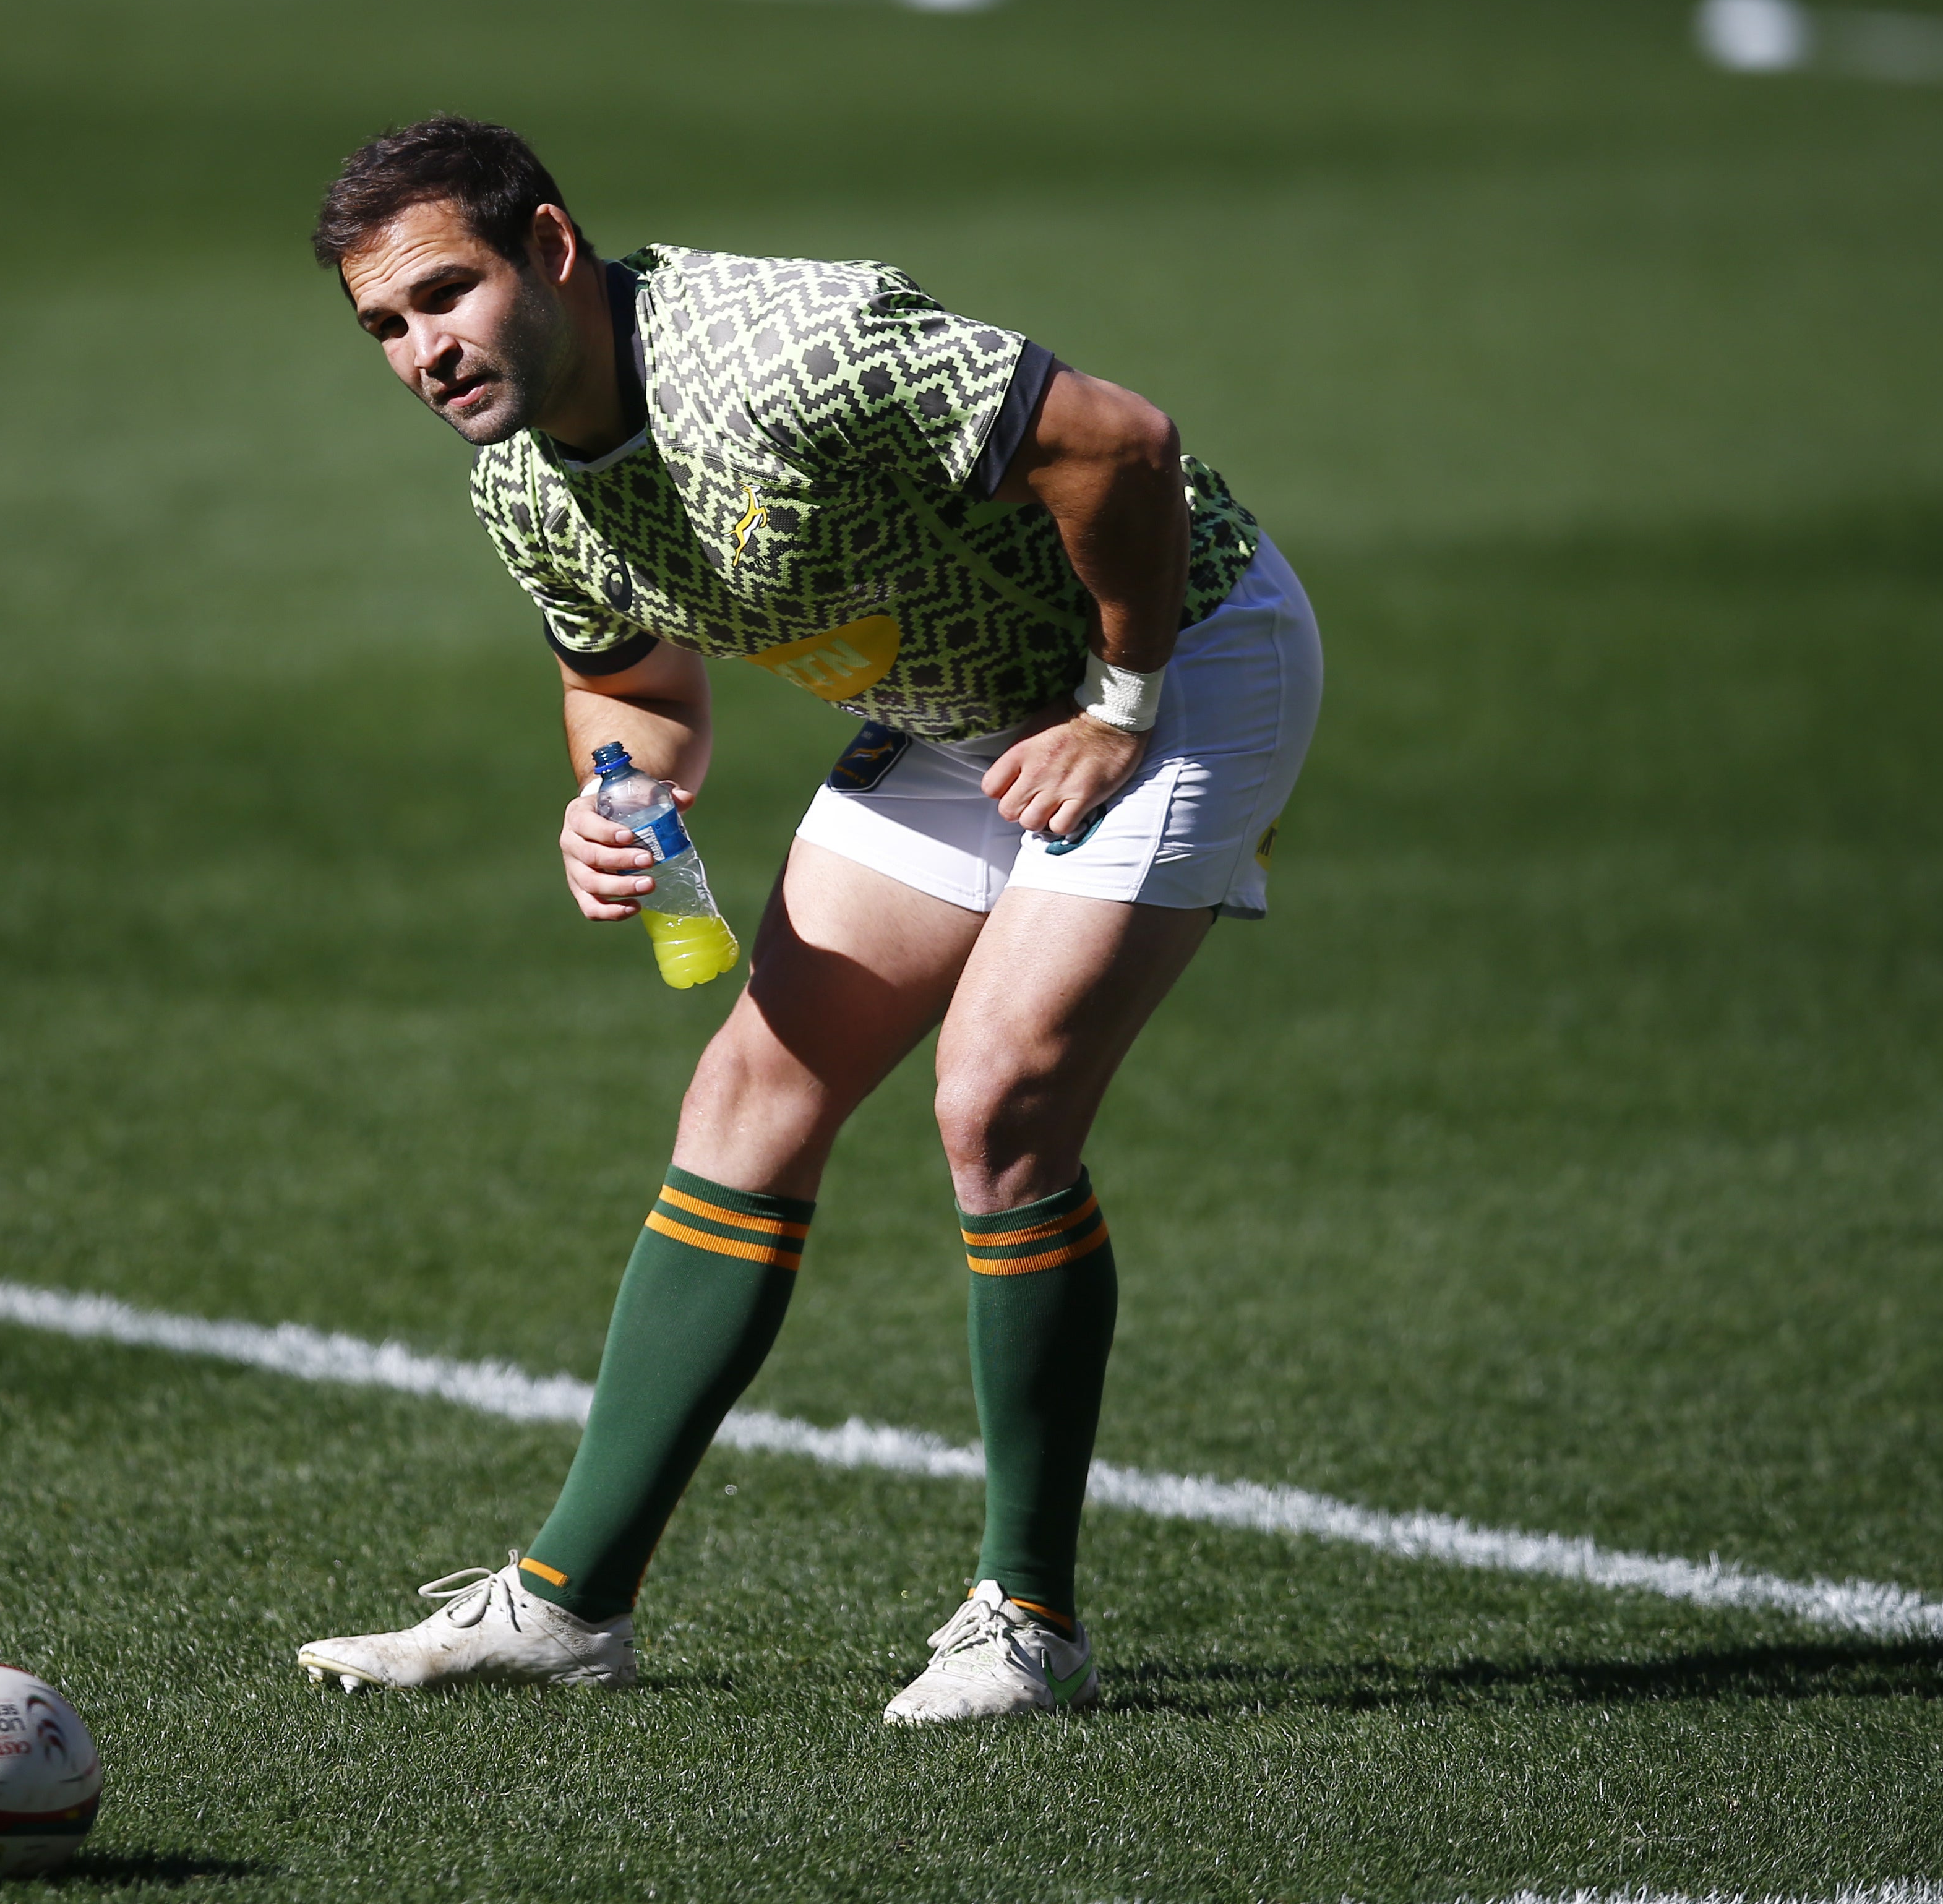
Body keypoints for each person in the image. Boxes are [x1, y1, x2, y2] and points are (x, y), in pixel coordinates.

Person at [290, 116, 1321, 1725]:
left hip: (1178, 658)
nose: (421, 350)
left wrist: (1117, 704)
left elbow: (1119, 444)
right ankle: (567, 1603)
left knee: (996, 1099)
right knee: (747, 1095)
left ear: (548, 250)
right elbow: (626, 680)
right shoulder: (523, 489)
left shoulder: (790, 346)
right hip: (958, 705)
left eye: (444, 295)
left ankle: (1028, 1623)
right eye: (384, 328)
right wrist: (619, 792)